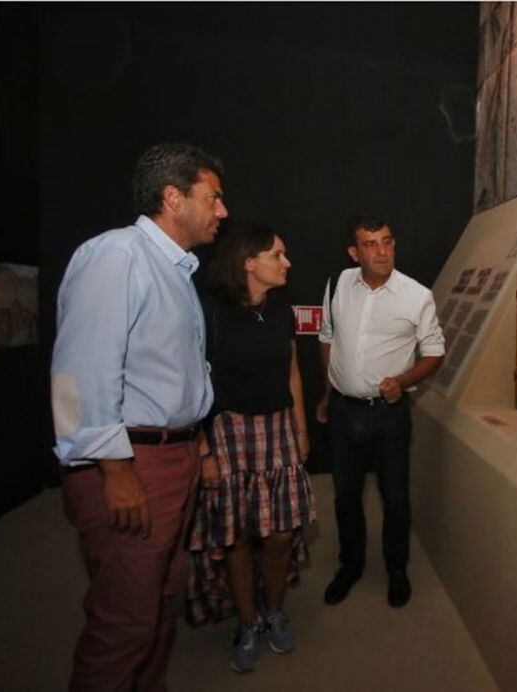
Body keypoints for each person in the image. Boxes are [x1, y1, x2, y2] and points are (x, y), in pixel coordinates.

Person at [51, 142, 226, 690]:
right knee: (124, 622)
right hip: (133, 464)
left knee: (157, 604)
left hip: (168, 457)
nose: (222, 211)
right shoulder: (117, 256)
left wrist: (196, 446)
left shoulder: (174, 270)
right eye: (213, 198)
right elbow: (79, 373)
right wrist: (114, 469)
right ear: (173, 197)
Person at [186, 225, 317, 674]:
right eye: (277, 255)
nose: (287, 263)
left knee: (280, 533)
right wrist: (203, 450)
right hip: (228, 432)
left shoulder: (282, 312)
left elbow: (293, 373)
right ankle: (247, 622)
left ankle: (273, 610)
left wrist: (300, 431)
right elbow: (194, 383)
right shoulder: (212, 313)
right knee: (237, 535)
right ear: (248, 261)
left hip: (278, 429)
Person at [316, 213, 444, 608]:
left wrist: (403, 381)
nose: (381, 251)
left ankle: (396, 570)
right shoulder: (337, 284)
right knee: (345, 495)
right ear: (354, 252)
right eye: (370, 244)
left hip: (388, 415)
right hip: (343, 411)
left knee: (394, 496)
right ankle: (350, 566)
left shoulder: (416, 295)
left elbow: (435, 353)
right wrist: (327, 392)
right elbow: (326, 339)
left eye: (387, 241)